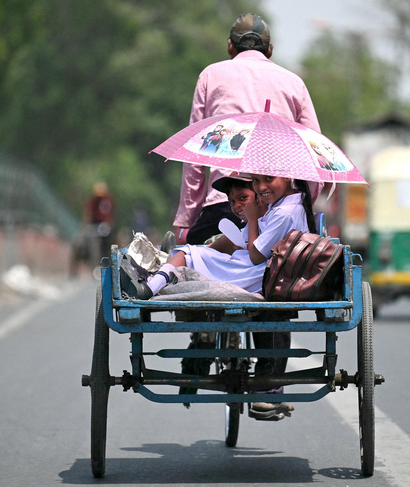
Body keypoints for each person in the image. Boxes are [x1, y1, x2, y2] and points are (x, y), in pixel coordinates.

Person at [121, 174, 316, 420]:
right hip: (254, 269)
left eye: (266, 180)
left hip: (253, 273)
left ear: (287, 178)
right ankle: (170, 267)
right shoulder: (283, 207)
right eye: (257, 181)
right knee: (189, 253)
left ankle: (151, 287)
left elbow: (255, 254)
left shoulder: (283, 212)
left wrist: (253, 218)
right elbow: (237, 242)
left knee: (185, 253)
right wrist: (205, 252)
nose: (262, 187)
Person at [173, 12, 322, 246]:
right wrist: (300, 207)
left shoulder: (210, 76)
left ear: (230, 47)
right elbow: (315, 157)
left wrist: (185, 220)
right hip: (279, 209)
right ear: (270, 50)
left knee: (190, 255)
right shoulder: (294, 83)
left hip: (224, 205)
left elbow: (195, 157)